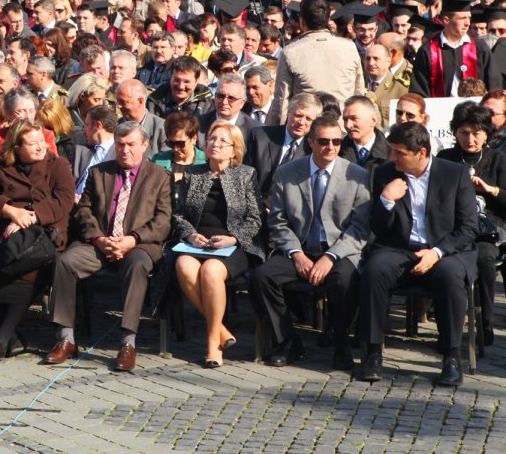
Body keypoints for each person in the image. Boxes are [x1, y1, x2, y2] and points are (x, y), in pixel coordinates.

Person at [43, 121, 171, 371]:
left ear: (144, 145)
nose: (125, 150)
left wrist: (132, 239)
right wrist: (99, 239)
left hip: (139, 244)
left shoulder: (159, 176)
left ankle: (128, 343)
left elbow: (163, 221)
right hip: (100, 241)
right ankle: (66, 338)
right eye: (120, 144)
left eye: (131, 144)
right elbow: (84, 211)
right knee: (65, 262)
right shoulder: (99, 172)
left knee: (137, 266)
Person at [357, 122, 478, 386]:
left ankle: (451, 356)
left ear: (421, 152)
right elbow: (378, 228)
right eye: (391, 150)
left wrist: (437, 252)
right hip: (399, 248)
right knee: (375, 270)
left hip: (445, 250)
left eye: (399, 153)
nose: (393, 158)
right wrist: (386, 200)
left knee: (450, 276)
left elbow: (469, 227)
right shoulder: (386, 173)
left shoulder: (454, 174)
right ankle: (373, 352)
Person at [250, 115, 370, 370]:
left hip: (338, 251)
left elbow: (359, 227)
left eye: (336, 141)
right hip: (300, 247)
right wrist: (296, 254)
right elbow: (278, 222)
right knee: (262, 277)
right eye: (324, 141)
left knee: (345, 281)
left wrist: (331, 257)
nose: (331, 147)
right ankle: (287, 341)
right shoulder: (287, 173)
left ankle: (341, 343)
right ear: (311, 142)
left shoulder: (357, 175)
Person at [0, 119, 76, 361]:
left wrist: (30, 216)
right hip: (3, 230)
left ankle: (1, 337)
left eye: (42, 141)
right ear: (17, 147)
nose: (41, 147)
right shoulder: (0, 167)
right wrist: (9, 211)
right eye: (32, 143)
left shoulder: (57, 165)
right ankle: (14, 339)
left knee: (28, 266)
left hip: (44, 232)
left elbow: (64, 200)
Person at [172, 122, 264, 367]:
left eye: (223, 141)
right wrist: (190, 235)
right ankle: (222, 330)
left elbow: (256, 218)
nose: (215, 144)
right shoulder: (193, 173)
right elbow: (179, 215)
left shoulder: (246, 174)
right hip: (197, 242)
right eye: (212, 139)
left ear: (234, 149)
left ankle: (213, 343)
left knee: (211, 271)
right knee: (183, 266)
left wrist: (234, 238)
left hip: (233, 244)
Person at [435, 102, 506, 345]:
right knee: (442, 261)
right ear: (455, 132)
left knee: (484, 257)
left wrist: (491, 190)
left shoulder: (497, 159)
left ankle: (485, 322)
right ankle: (447, 326)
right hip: (452, 228)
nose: (470, 139)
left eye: (477, 133)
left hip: (488, 230)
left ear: (487, 134)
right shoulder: (446, 158)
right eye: (464, 133)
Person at [271, 0, 364, 124]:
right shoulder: (349, 47)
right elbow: (359, 94)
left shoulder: (290, 52)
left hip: (308, 127)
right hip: (341, 126)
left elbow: (282, 101)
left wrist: (277, 130)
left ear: (302, 21)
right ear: (328, 20)